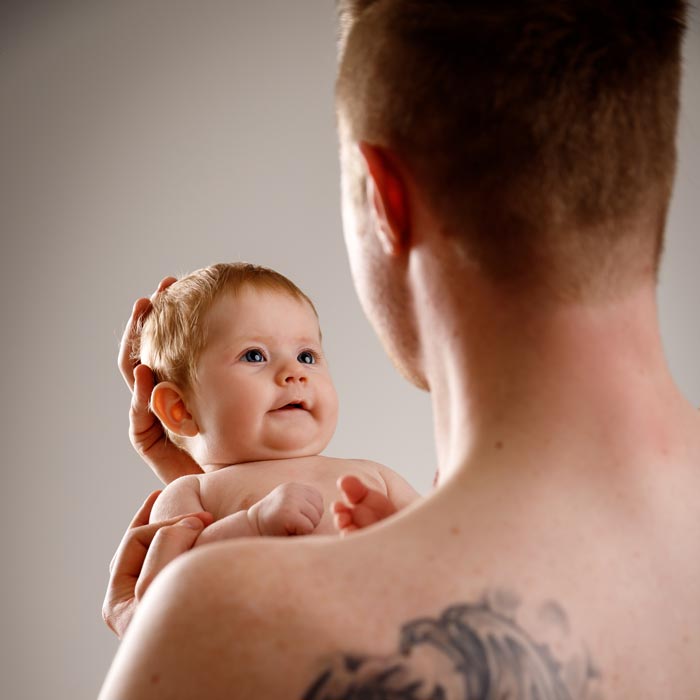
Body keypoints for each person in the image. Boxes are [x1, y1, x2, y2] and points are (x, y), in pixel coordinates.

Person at [101, 1, 700, 697]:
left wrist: (168, 628)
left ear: (387, 200)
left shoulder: (227, 619)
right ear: (652, 175)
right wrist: (206, 478)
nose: (291, 370)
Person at [132, 262, 419, 544]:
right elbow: (168, 575)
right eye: (254, 355)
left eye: (306, 356)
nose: (295, 373)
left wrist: (403, 536)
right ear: (179, 408)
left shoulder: (374, 477)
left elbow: (446, 545)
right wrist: (251, 524)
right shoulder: (192, 493)